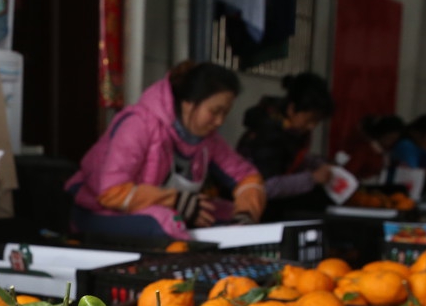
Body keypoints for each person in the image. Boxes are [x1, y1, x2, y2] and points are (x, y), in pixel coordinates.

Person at [66, 61, 266, 240]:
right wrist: (175, 201)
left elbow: (247, 177)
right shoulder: (139, 124)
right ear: (188, 104)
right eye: (214, 112)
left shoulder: (208, 141)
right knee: (167, 223)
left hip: (166, 214)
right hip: (97, 212)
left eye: (225, 113)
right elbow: (111, 191)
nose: (220, 121)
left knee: (229, 219)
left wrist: (246, 214)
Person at [235, 72, 335, 219]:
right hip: (251, 202)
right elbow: (267, 186)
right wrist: (312, 178)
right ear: (292, 109)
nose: (312, 126)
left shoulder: (289, 130)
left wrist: (316, 164)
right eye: (309, 120)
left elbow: (291, 157)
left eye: (317, 121)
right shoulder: (269, 133)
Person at [338, 114, 404, 181]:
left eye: (395, 139)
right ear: (382, 134)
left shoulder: (387, 153)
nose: (392, 142)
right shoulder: (365, 150)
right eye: (390, 138)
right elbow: (347, 173)